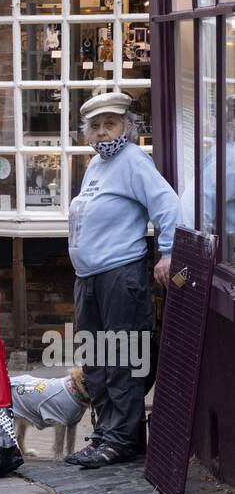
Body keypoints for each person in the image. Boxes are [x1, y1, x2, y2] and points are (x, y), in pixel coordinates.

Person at [65, 90, 180, 469]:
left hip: (120, 275)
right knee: (96, 359)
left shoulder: (132, 161)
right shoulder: (97, 165)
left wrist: (167, 252)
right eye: (95, 126)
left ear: (126, 127)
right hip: (90, 277)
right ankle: (105, 433)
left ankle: (122, 440)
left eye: (109, 124)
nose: (101, 132)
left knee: (123, 358)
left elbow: (167, 205)